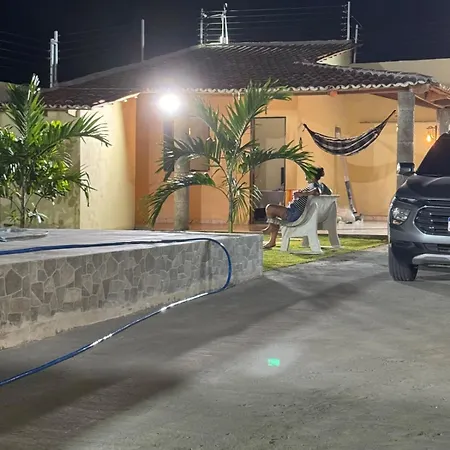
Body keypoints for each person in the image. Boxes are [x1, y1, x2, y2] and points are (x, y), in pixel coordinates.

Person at [262, 167, 331, 249]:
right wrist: (301, 194)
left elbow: (317, 191)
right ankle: (271, 239)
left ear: (312, 176)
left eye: (307, 175)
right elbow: (329, 192)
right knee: (273, 215)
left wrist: (303, 194)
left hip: (294, 214)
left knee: (269, 208)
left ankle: (271, 229)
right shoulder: (318, 185)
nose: (305, 177)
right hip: (296, 212)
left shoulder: (315, 186)